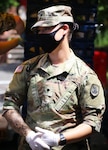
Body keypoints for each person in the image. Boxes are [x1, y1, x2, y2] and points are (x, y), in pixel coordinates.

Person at [2, 5, 105, 150]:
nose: (41, 34)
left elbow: (93, 122)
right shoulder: (29, 68)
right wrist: (28, 134)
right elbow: (9, 106)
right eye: (39, 30)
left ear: (64, 29)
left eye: (46, 29)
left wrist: (59, 139)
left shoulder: (85, 75)